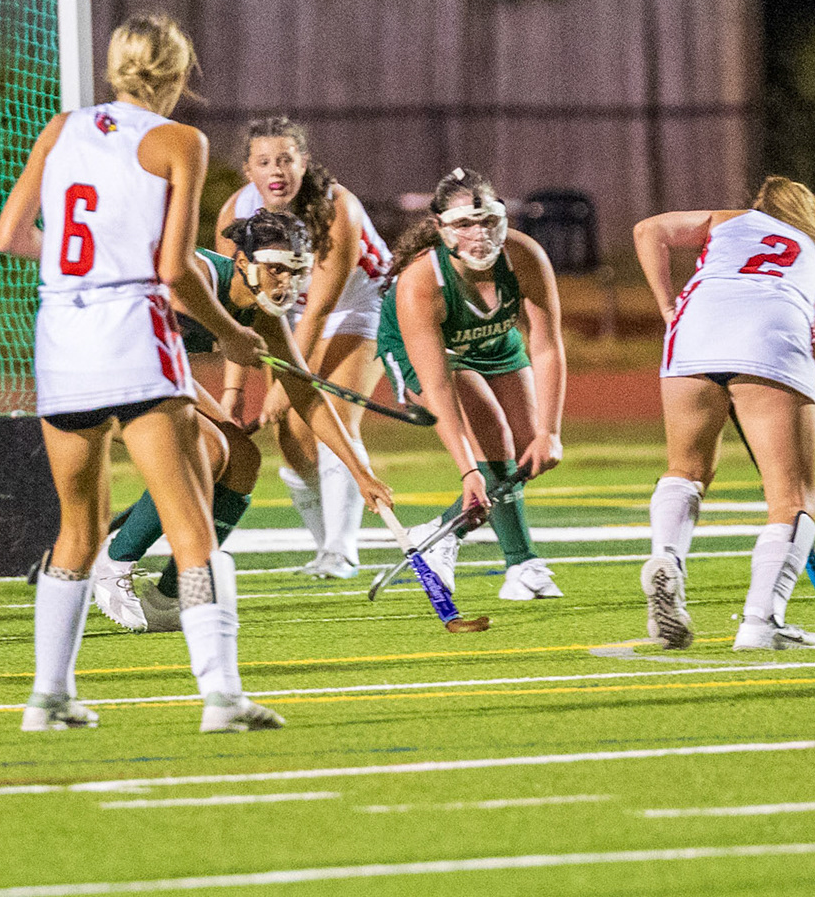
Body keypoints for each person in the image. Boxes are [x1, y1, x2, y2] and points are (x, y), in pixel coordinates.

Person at [0, 13, 279, 733]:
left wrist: (85, 260)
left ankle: (47, 698)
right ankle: (222, 696)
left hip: (63, 341)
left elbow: (11, 236)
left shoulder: (61, 129)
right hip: (132, 338)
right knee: (192, 530)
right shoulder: (180, 141)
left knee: (77, 531)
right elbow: (175, 271)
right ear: (180, 74)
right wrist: (233, 335)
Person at [91, 210, 394, 631]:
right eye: (276, 269)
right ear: (242, 263)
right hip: (98, 368)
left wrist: (361, 473)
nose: (286, 283)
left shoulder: (265, 312)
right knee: (209, 449)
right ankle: (114, 561)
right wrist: (230, 334)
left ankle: (173, 594)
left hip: (156, 374)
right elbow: (151, 315)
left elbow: (305, 394)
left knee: (244, 458)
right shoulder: (195, 276)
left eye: (297, 272)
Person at [633, 176, 815, 652]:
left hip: (695, 328)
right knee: (792, 499)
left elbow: (647, 230)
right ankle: (762, 621)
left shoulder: (729, 220)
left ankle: (667, 559)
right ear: (814, 215)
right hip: (771, 336)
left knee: (686, 469)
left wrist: (667, 305)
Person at [375, 169, 566, 600]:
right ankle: (522, 564)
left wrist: (550, 432)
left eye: (488, 221)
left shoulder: (525, 256)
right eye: (464, 224)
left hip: (496, 343)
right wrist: (468, 470)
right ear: (440, 228)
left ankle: (443, 531)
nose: (479, 234)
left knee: (528, 450)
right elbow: (438, 386)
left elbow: (547, 346)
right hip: (426, 354)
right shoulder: (422, 282)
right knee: (492, 433)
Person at [214, 117, 392, 578]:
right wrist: (234, 394)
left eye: (286, 159)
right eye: (264, 162)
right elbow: (237, 307)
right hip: (286, 311)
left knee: (332, 414)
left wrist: (284, 387)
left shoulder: (337, 209)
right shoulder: (237, 213)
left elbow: (320, 310)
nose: (276, 171)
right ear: (248, 170)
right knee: (293, 440)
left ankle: (341, 551)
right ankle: (323, 547)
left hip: (358, 307)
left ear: (304, 163)